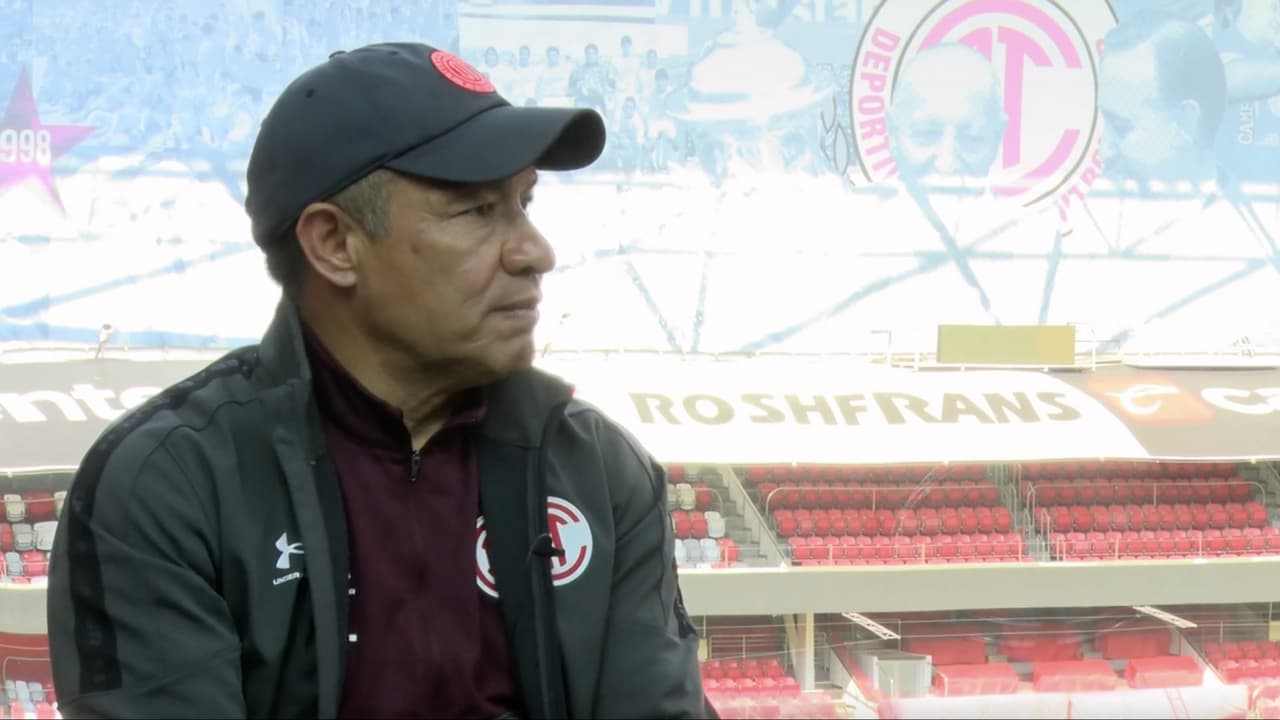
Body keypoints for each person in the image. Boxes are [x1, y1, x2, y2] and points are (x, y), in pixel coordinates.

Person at [46, 42, 713, 720]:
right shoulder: (170, 484)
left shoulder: (598, 472)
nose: (536, 252)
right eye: (478, 211)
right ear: (335, 244)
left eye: (524, 201)